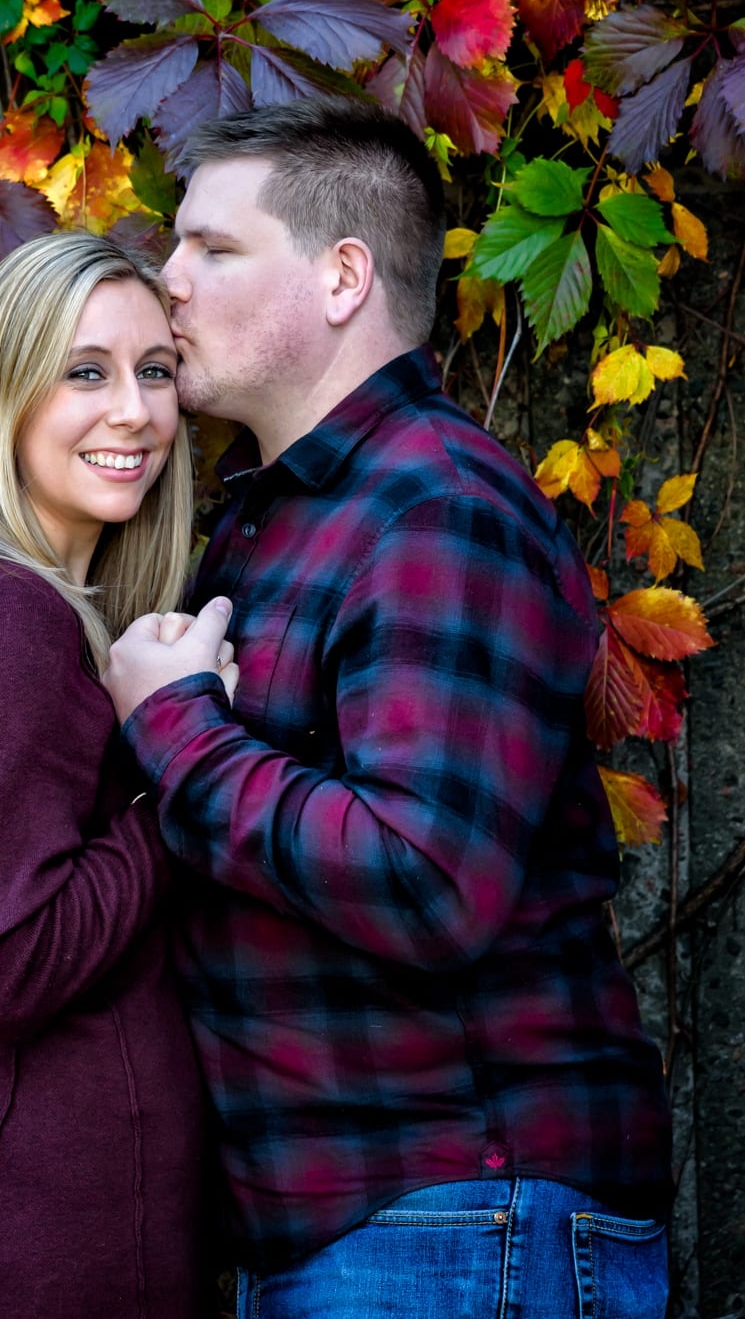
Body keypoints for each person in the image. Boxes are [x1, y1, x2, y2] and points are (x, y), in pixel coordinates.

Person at [103, 98, 674, 1318]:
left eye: (212, 248)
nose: (170, 283)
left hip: (459, 1222)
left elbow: (425, 881)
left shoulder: (434, 508)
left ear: (342, 276)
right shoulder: (275, 518)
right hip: (352, 1227)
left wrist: (178, 725)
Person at [0, 232, 221, 1319]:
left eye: (154, 371)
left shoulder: (33, 609)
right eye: (84, 372)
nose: (133, 413)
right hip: (49, 1240)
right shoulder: (2, 613)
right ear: (2, 395)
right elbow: (14, 963)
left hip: (93, 1226)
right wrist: (181, 761)